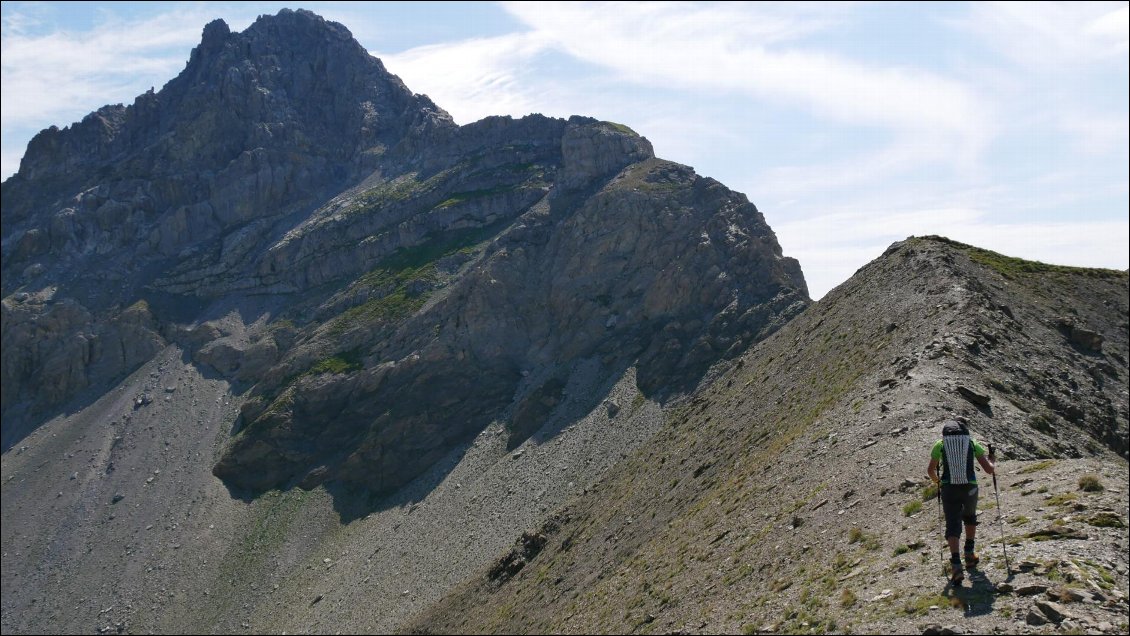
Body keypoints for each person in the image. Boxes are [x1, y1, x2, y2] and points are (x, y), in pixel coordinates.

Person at [926, 419, 995, 584]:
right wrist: (992, 458)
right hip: (970, 487)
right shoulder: (972, 443)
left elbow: (930, 471)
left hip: (949, 488)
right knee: (970, 517)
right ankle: (969, 555)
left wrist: (939, 483)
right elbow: (989, 469)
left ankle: (956, 566)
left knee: (952, 524)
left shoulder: (939, 444)